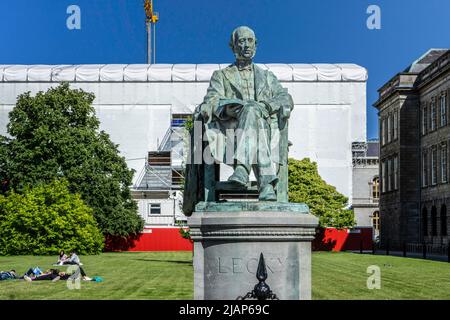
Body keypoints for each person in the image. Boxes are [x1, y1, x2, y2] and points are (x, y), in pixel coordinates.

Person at [184, 26, 293, 213]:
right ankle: (266, 184)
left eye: (250, 41)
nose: (246, 45)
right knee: (250, 109)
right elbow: (211, 101)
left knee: (253, 110)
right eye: (241, 41)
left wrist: (267, 106)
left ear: (256, 45)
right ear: (233, 46)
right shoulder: (221, 76)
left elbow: (285, 99)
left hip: (265, 130)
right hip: (230, 130)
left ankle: (242, 169)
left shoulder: (268, 77)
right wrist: (227, 108)